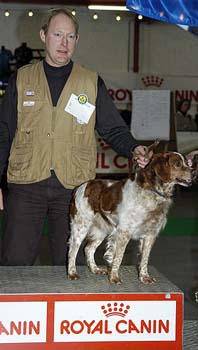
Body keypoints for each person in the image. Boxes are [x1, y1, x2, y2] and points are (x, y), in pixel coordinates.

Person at [0, 8, 148, 266]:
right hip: (25, 185)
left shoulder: (90, 82)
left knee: (72, 263)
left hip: (74, 188)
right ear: (44, 35)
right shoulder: (21, 79)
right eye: (57, 34)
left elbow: (113, 128)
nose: (64, 43)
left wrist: (134, 148)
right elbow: (3, 131)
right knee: (15, 261)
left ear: (77, 41)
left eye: (70, 36)